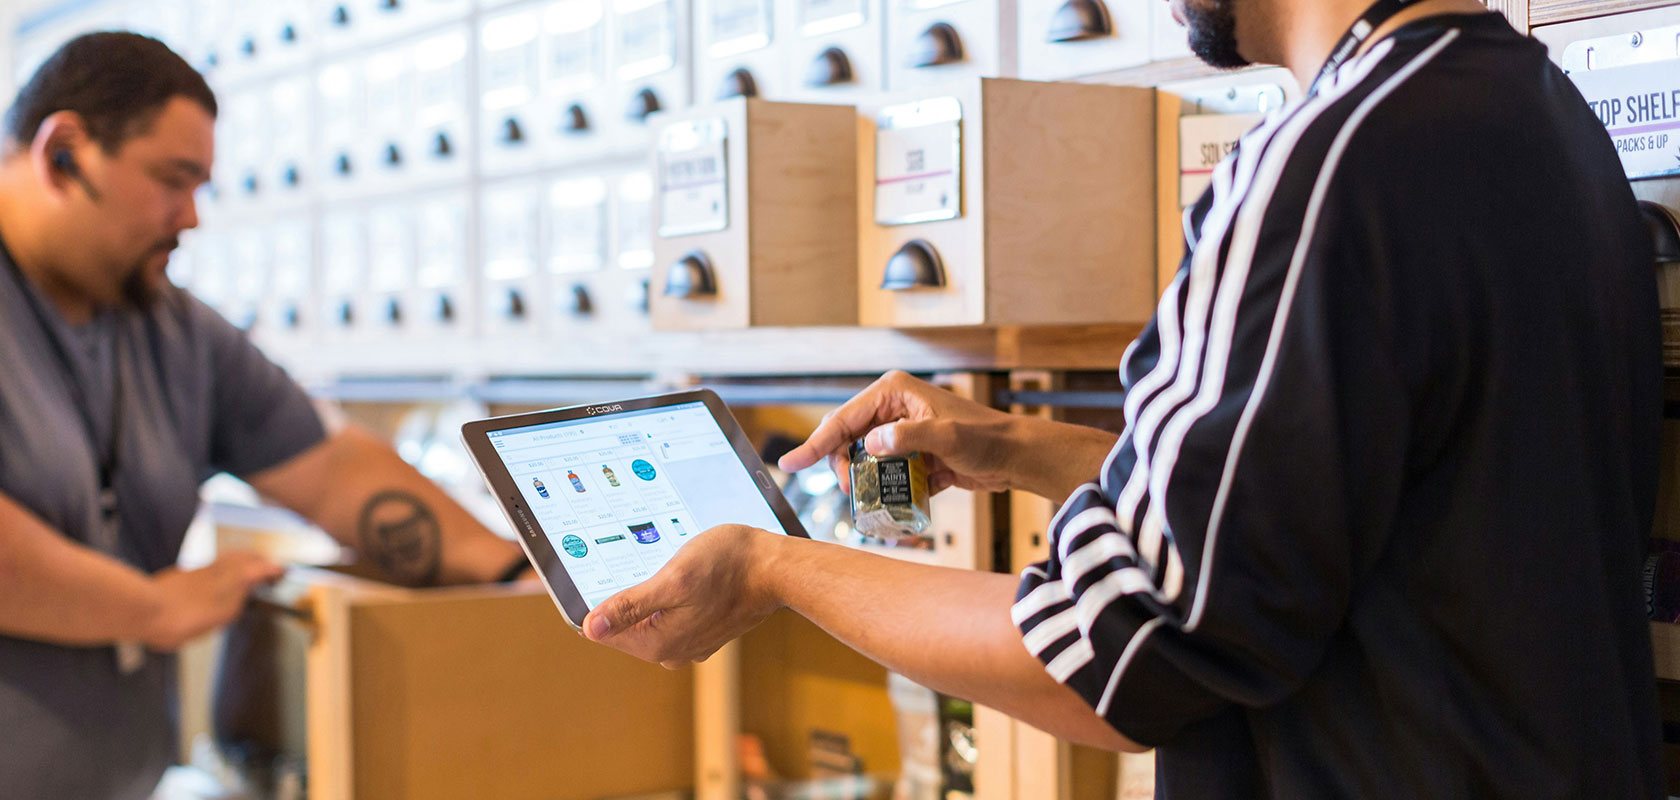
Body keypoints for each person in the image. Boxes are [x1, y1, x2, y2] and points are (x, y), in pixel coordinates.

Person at [582, 0, 1665, 795]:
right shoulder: (1538, 117)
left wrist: (778, 565)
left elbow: (1109, 659)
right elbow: (1343, 509)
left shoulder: (1319, 163)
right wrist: (1018, 443)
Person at [0, 33, 532, 798]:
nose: (191, 217)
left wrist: (515, 569)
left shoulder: (171, 327)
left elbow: (334, 469)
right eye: (171, 180)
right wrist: (152, 608)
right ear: (63, 153)